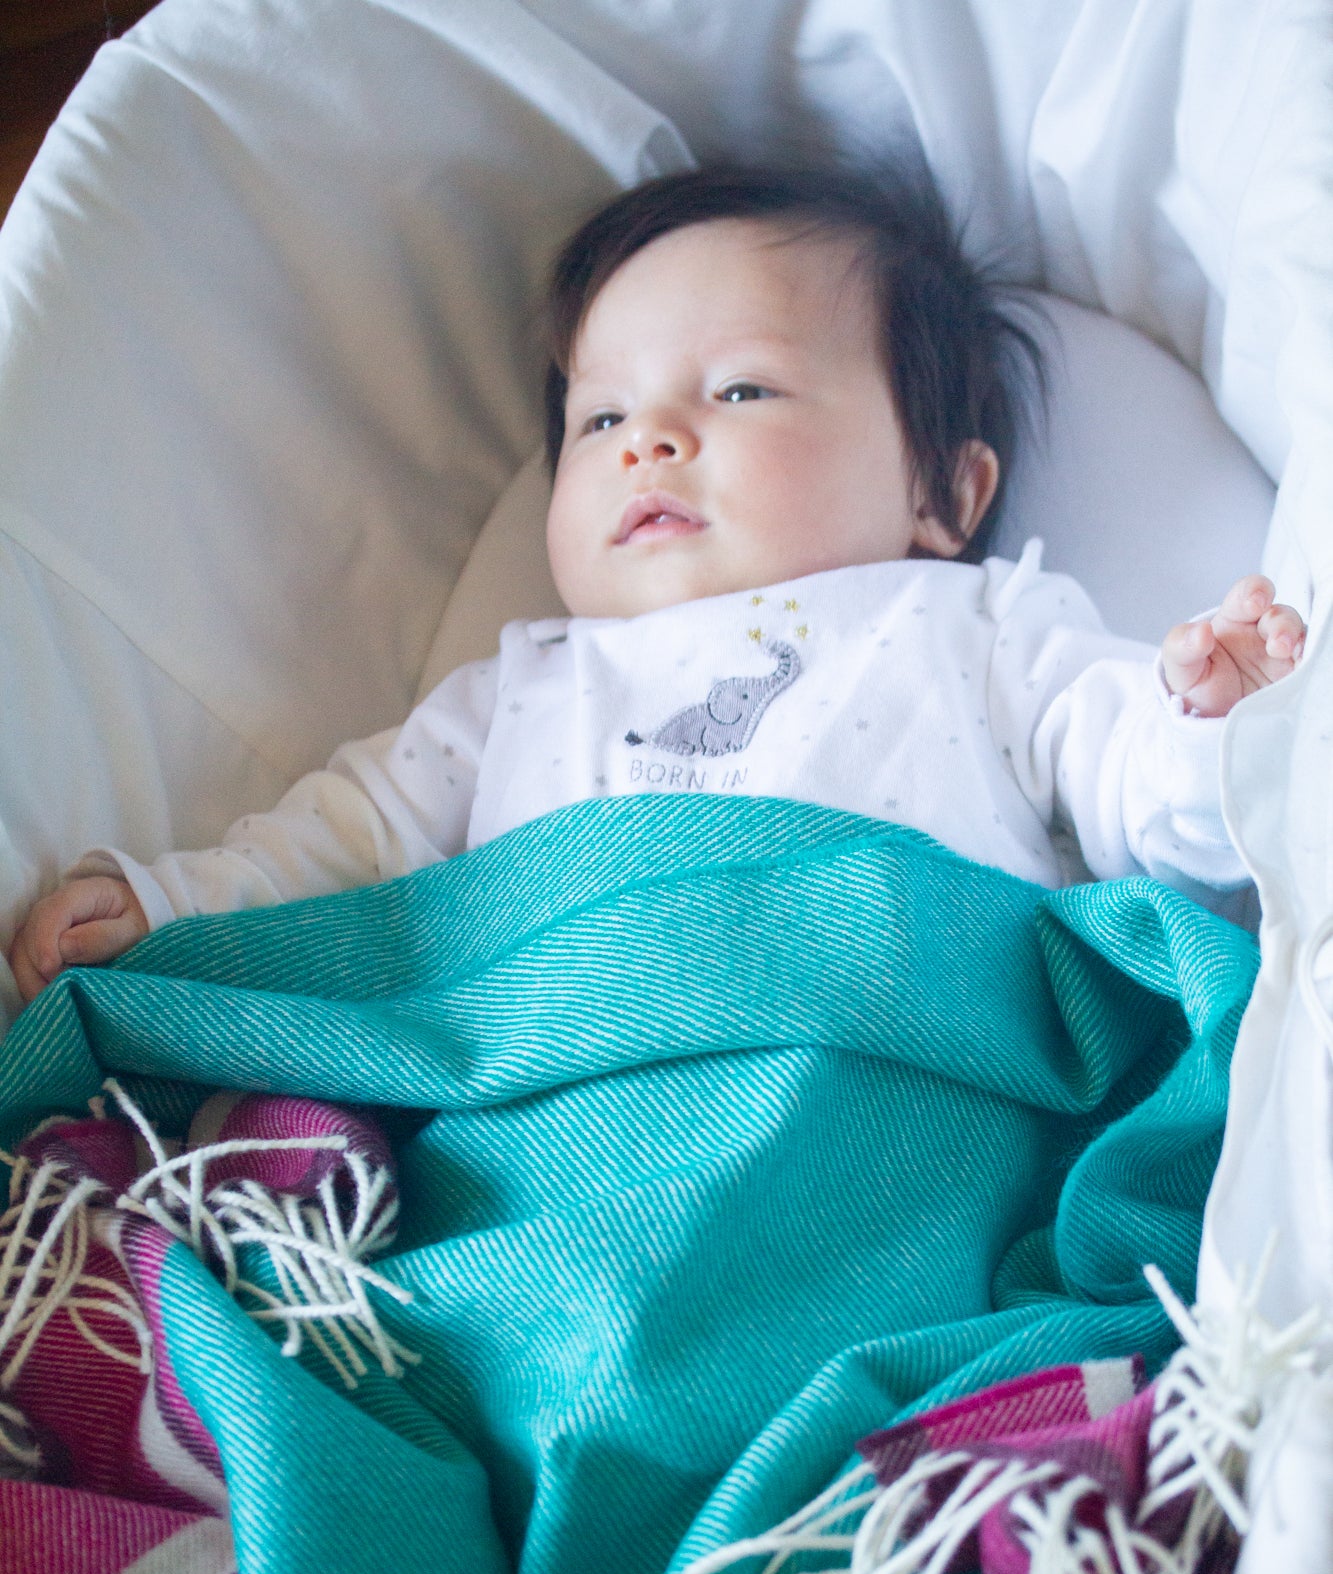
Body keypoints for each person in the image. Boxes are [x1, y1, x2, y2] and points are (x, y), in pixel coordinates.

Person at [7, 164, 1305, 1005]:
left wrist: (1218, 721)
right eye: (598, 417)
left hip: (890, 1056)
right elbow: (340, 857)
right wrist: (178, 906)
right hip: (553, 1090)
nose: (648, 439)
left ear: (944, 495)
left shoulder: (976, 628)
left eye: (739, 389)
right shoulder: (519, 692)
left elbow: (1146, 796)